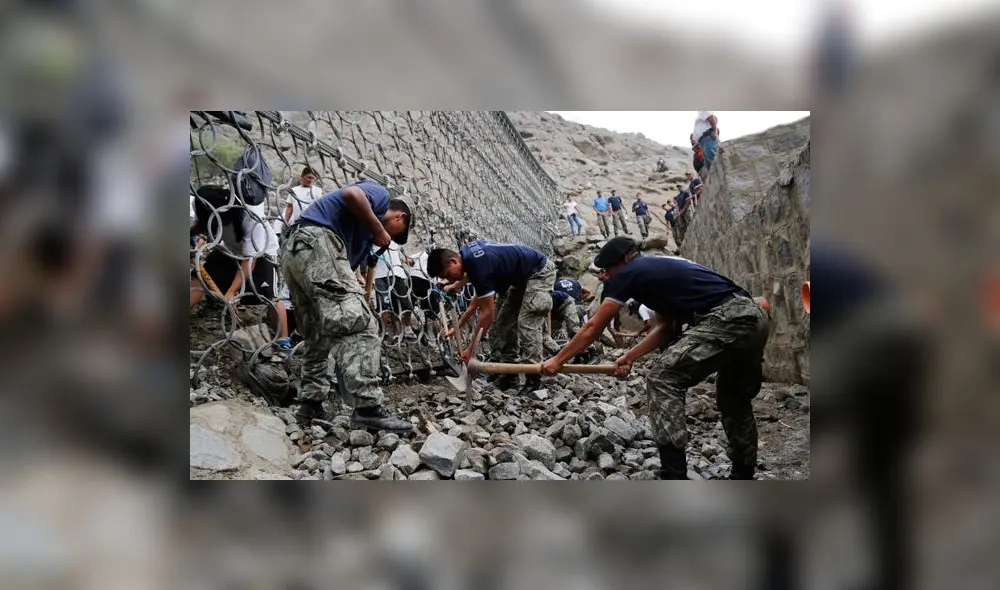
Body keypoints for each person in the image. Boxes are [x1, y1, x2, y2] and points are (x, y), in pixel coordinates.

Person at [541, 237, 770, 480]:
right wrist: (629, 357)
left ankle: (674, 475)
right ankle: (743, 475)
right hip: (754, 318)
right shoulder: (656, 272)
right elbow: (667, 328)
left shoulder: (628, 273)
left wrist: (558, 359)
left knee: (662, 379)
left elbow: (593, 328)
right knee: (734, 399)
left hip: (728, 319)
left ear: (625, 259)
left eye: (608, 269)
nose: (605, 276)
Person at [280, 179, 414, 431]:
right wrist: (378, 228)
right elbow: (352, 194)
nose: (387, 239)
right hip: (317, 240)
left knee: (317, 335)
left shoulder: (358, 236)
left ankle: (310, 405)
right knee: (360, 323)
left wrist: (370, 245)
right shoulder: (380, 196)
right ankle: (368, 408)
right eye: (395, 233)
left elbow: (344, 268)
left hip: (293, 252)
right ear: (399, 217)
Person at [427, 240, 555, 396]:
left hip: (539, 272)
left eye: (447, 275)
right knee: (504, 322)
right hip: (520, 278)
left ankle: (534, 379)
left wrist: (471, 350)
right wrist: (456, 287)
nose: (450, 280)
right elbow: (475, 302)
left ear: (454, 261)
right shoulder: (468, 256)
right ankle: (510, 375)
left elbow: (487, 314)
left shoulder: (478, 267)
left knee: (526, 323)